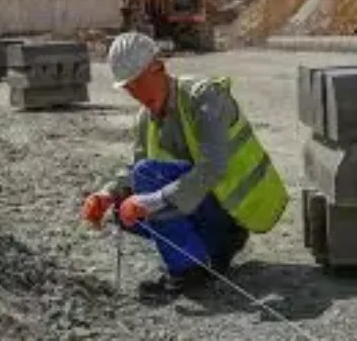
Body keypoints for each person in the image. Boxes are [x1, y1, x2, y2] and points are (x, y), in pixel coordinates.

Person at [82, 31, 289, 300]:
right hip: (203, 210)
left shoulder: (203, 97)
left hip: (232, 213)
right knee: (123, 211)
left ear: (158, 67)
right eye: (129, 88)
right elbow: (135, 169)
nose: (137, 94)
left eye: (139, 82)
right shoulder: (146, 118)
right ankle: (205, 254)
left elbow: (213, 166)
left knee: (146, 183)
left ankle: (191, 271)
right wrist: (108, 194)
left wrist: (150, 200)